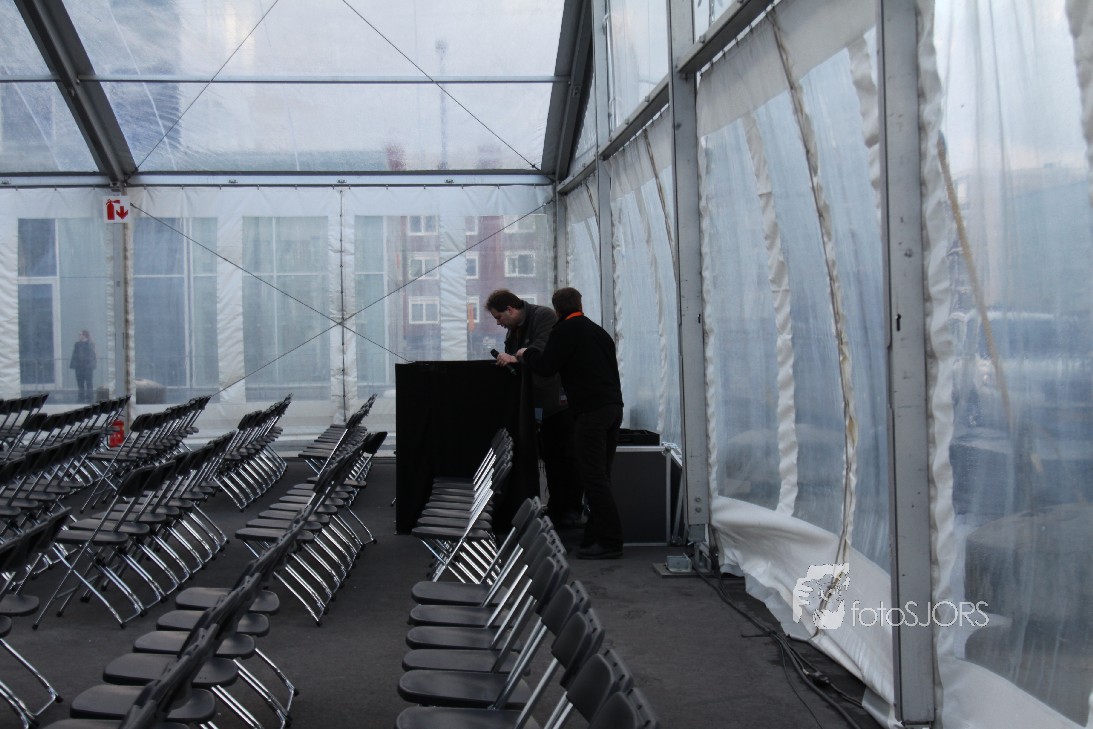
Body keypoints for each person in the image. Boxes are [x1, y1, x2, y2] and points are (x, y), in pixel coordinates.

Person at [516, 287, 625, 560]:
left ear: (557, 310)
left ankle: (610, 541)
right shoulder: (598, 332)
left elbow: (546, 366)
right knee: (602, 476)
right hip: (613, 408)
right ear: (580, 304)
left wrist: (526, 354)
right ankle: (594, 536)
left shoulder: (565, 330)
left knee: (593, 478)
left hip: (590, 412)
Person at [485, 289, 583, 528]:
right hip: (536, 403)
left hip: (556, 403)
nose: (498, 323)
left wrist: (516, 358)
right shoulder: (514, 329)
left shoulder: (543, 317)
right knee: (550, 459)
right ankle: (557, 507)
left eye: (498, 317)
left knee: (565, 457)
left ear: (510, 309)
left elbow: (542, 351)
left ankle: (571, 509)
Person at [70, 330, 97, 403]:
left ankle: (89, 398)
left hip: (88, 367)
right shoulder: (77, 344)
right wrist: (75, 365)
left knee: (89, 383)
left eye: (80, 334)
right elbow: (75, 355)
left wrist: (91, 365)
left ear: (84, 335)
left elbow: (92, 355)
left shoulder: (90, 344)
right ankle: (81, 398)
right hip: (79, 367)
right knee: (80, 383)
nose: (79, 336)